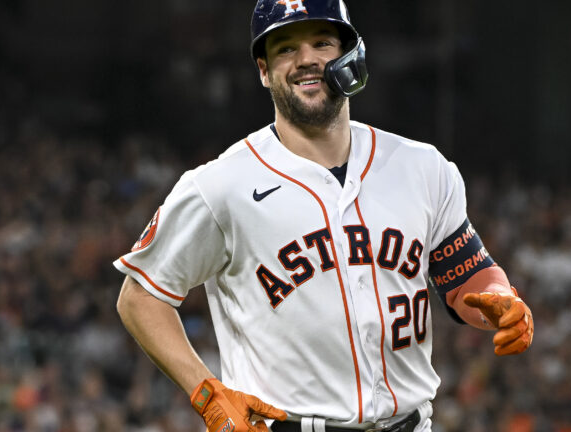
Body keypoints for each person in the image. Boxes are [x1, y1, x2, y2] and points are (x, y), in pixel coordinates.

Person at [114, 1, 534, 432]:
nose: (306, 59)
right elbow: (140, 296)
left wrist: (501, 299)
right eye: (285, 49)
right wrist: (204, 390)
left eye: (321, 42)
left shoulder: (421, 167)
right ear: (263, 70)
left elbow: (465, 276)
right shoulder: (222, 185)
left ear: (350, 54)